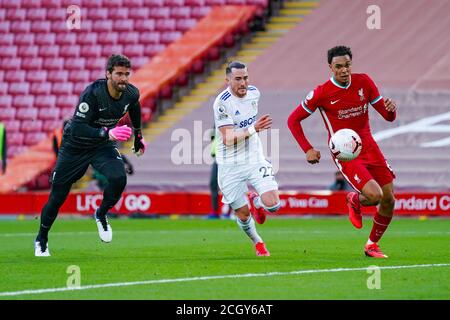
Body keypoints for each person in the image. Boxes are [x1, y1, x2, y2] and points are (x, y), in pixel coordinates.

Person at [287, 46, 397, 258]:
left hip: (370, 147)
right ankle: (355, 200)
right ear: (330, 67)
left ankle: (371, 245)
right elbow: (293, 120)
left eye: (347, 65)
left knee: (389, 199)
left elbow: (387, 117)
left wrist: (391, 110)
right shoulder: (321, 93)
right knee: (375, 196)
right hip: (346, 153)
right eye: (339, 67)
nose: (344, 70)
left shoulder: (364, 82)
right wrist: (307, 149)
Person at [34, 54, 147, 257]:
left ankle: (101, 214)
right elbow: (77, 127)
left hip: (101, 145)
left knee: (118, 178)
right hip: (75, 146)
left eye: (126, 74)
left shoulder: (131, 93)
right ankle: (42, 238)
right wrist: (107, 132)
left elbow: (135, 104)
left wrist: (138, 135)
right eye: (119, 74)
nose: (123, 79)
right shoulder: (93, 93)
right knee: (58, 196)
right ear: (108, 74)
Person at [213, 61, 281, 257]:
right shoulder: (222, 103)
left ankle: (258, 202)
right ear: (227, 80)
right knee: (243, 214)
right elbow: (227, 139)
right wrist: (254, 129)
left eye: (245, 78)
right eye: (238, 79)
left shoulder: (254, 93)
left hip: (253, 156)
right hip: (229, 164)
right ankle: (258, 242)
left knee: (274, 205)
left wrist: (253, 131)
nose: (243, 83)